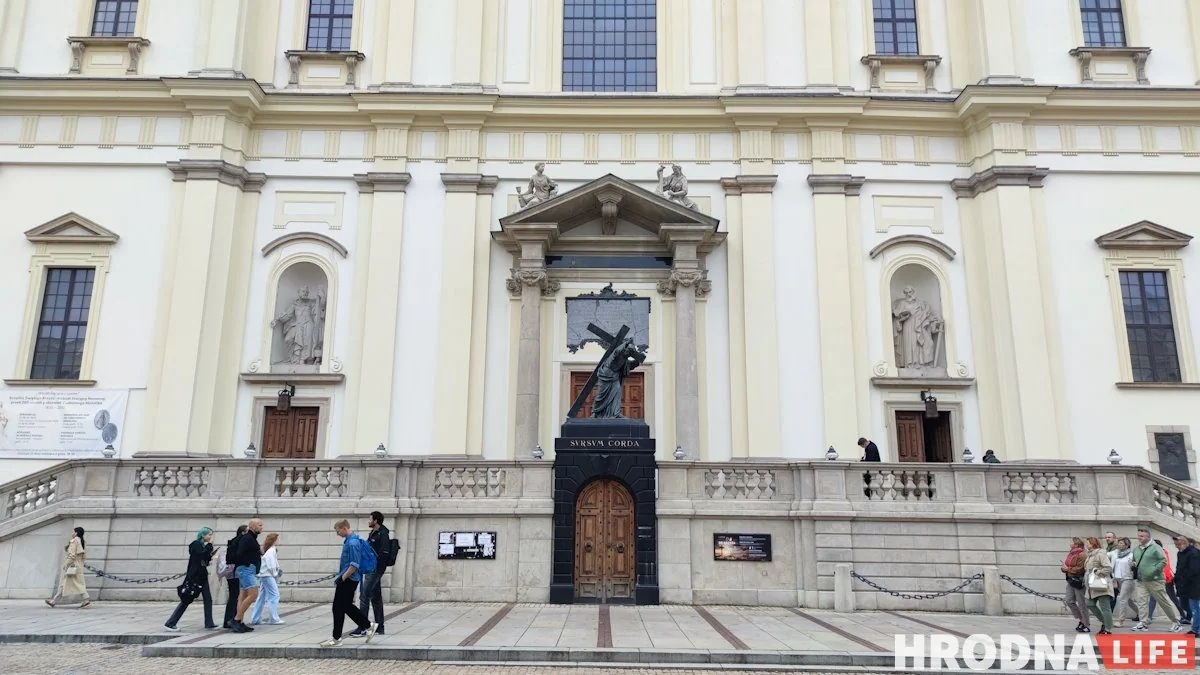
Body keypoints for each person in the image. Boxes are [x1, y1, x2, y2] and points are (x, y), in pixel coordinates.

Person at [320, 519, 376, 647]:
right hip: (349, 579)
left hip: (349, 579)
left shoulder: (352, 543)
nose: (337, 533)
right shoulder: (351, 541)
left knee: (339, 607)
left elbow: (354, 564)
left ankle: (337, 638)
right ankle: (367, 625)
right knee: (344, 607)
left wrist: (342, 578)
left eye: (338, 530)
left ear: (344, 528)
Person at [164, 527, 219, 631]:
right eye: (209, 535)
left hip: (202, 576)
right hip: (195, 577)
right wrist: (210, 546)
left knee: (208, 599)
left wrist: (210, 554)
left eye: (211, 535)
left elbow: (204, 560)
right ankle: (170, 623)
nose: (210, 537)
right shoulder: (196, 544)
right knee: (187, 599)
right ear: (203, 535)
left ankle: (209, 623)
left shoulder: (203, 546)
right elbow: (200, 555)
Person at [1132, 527, 1185, 632]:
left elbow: (1163, 561)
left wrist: (1153, 571)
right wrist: (1133, 564)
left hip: (1155, 579)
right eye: (1138, 536)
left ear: (1148, 537)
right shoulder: (1137, 549)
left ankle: (1176, 622)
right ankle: (1143, 623)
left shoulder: (1155, 548)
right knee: (1141, 601)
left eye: (1142, 536)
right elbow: (1135, 560)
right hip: (1141, 580)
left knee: (1163, 601)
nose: (1139, 538)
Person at [359, 511, 390, 635]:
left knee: (364, 596)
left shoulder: (382, 534)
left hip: (375, 570)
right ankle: (379, 627)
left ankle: (363, 626)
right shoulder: (373, 533)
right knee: (376, 598)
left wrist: (375, 567)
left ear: (376, 520)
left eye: (370, 519)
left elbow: (384, 553)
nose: (368, 521)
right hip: (371, 568)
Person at [231, 518, 264, 633]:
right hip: (246, 570)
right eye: (259, 525)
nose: (261, 527)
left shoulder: (251, 538)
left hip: (247, 569)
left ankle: (239, 622)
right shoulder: (247, 538)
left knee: (243, 596)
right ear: (252, 526)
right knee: (253, 594)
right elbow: (239, 553)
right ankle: (236, 620)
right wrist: (248, 563)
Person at [45, 527, 89, 609]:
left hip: (72, 566)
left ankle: (86, 600)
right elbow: (83, 555)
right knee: (73, 583)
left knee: (67, 583)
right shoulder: (83, 542)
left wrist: (66, 565)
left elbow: (72, 556)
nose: (72, 533)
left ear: (76, 533)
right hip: (79, 565)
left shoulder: (74, 541)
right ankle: (54, 601)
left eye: (73, 532)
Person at [249, 532, 283, 626]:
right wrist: (275, 574)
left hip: (265, 575)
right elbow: (271, 565)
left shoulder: (269, 550)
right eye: (277, 539)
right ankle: (274, 618)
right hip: (268, 575)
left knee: (262, 597)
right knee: (274, 595)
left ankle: (255, 618)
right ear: (274, 540)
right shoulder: (271, 551)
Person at [1083, 536, 1115, 634]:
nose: (1086, 545)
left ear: (1092, 544)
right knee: (1089, 603)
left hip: (1101, 584)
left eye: (1087, 543)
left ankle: (1108, 628)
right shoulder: (1090, 555)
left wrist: (1098, 572)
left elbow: (1108, 568)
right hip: (1092, 585)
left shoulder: (1100, 553)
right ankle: (1105, 622)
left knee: (1105, 607)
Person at [1173, 535, 1200, 636]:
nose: (1177, 547)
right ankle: (1195, 628)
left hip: (1193, 585)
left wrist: (1183, 580)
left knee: (1195, 608)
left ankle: (1196, 630)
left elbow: (1194, 571)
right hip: (1183, 584)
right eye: (1176, 545)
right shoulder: (1180, 553)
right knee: (1184, 605)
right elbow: (1179, 567)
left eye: (1178, 545)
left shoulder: (1194, 553)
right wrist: (1176, 578)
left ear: (1184, 543)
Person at [1062, 537, 1090, 633]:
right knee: (1069, 601)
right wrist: (1063, 568)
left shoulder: (1082, 554)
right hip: (1071, 580)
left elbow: (1081, 569)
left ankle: (1086, 624)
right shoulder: (1071, 553)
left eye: (1071, 542)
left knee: (1081, 603)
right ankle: (1081, 619)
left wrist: (1067, 569)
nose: (1069, 543)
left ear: (1076, 544)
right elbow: (1067, 565)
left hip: (1079, 580)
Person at [223, 525, 247, 628]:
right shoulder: (241, 542)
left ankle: (228, 620)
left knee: (233, 595)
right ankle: (233, 619)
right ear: (243, 532)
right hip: (236, 570)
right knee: (237, 595)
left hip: (230, 570)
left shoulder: (233, 541)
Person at [1112, 537, 1137, 627]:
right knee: (1128, 600)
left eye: (1121, 543)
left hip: (1127, 578)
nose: (1119, 545)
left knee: (1122, 599)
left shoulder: (1132, 554)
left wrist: (1134, 564)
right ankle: (1142, 615)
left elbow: (1136, 564)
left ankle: (1121, 620)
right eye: (1119, 543)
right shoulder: (1117, 554)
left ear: (1127, 545)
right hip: (1118, 579)